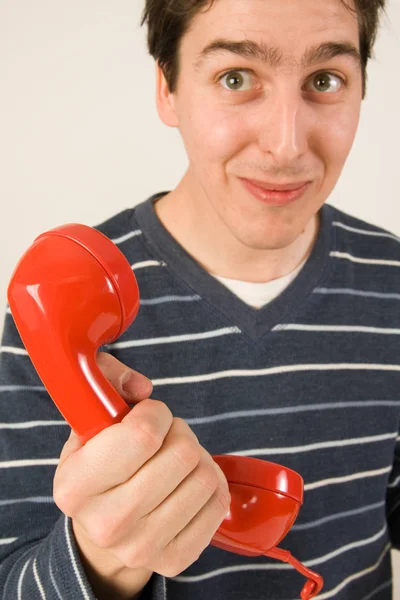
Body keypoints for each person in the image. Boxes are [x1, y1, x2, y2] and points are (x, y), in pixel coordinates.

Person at [0, 0, 398, 598]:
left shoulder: (393, 280)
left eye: (325, 80)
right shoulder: (60, 302)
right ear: (167, 87)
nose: (286, 146)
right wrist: (101, 561)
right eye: (235, 78)